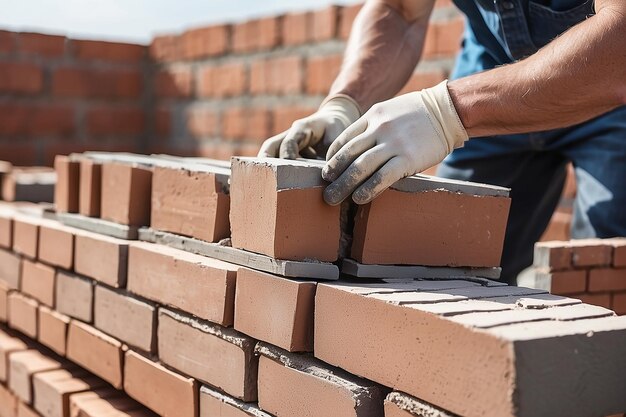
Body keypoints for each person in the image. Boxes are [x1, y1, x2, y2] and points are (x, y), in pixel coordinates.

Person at [258, 0, 626, 284]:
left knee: (605, 269)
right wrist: (344, 104)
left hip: (611, 91)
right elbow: (400, 11)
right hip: (494, 74)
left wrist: (445, 114)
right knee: (445, 260)